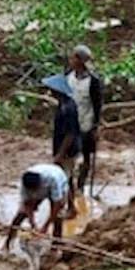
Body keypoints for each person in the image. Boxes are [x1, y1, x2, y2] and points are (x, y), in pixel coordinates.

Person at [65, 45, 103, 195]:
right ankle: (71, 188)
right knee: (69, 157)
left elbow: (97, 105)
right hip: (71, 124)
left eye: (73, 58)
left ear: (80, 61)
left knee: (86, 156)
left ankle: (81, 185)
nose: (70, 61)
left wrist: (96, 126)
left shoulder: (93, 81)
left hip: (86, 124)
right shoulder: (68, 77)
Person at [5, 163, 70, 250]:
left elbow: (56, 205)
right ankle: (7, 243)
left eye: (34, 191)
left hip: (59, 180)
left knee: (58, 217)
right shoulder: (25, 182)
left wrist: (45, 226)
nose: (32, 194)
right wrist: (33, 225)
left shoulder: (53, 180)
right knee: (21, 214)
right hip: (38, 184)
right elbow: (27, 204)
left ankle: (56, 246)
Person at [42, 74, 81, 217]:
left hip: (68, 150)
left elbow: (70, 134)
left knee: (64, 179)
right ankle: (71, 207)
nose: (49, 92)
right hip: (66, 148)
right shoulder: (64, 104)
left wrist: (60, 154)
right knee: (68, 179)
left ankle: (66, 208)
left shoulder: (68, 108)